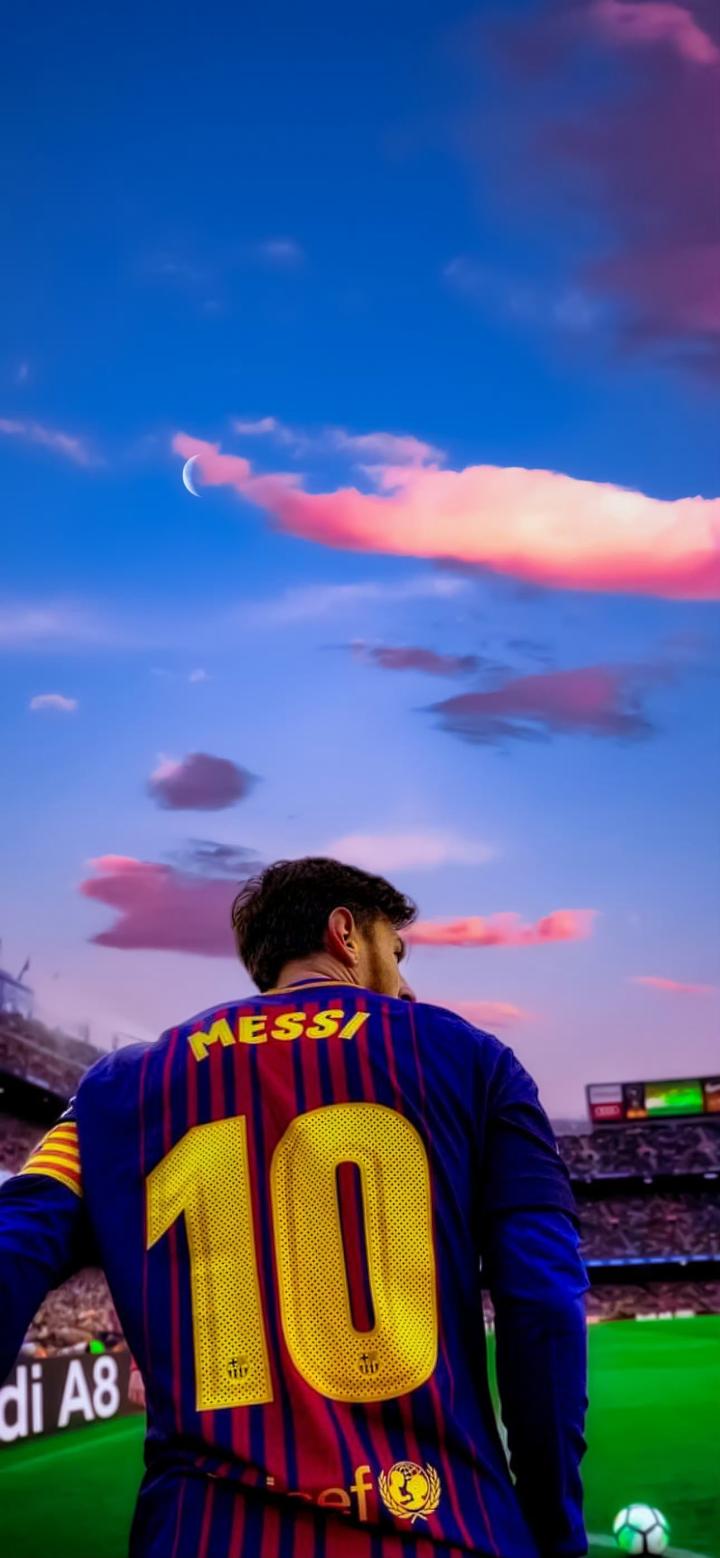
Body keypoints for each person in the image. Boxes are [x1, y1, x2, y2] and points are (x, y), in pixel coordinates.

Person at [0, 857, 588, 1557]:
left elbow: (14, 1242)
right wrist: (554, 1531)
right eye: (395, 951)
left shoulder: (116, 1086)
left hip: (202, 1536)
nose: (406, 983)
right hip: (444, 1527)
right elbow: (544, 1301)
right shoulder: (475, 1060)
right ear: (345, 933)